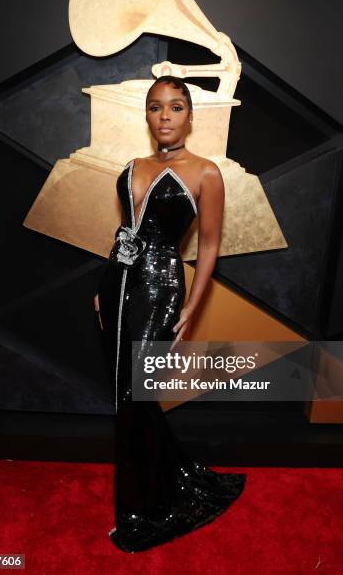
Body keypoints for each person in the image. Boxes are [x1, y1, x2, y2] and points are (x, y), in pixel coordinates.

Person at [94, 75, 246, 552]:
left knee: (135, 393)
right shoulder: (132, 164)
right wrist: (103, 286)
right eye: (156, 107)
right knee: (126, 396)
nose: (165, 116)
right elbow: (125, 232)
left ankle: (143, 508)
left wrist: (191, 307)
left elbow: (211, 244)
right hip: (117, 284)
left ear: (189, 117)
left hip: (160, 290)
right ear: (147, 115)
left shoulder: (205, 172)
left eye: (176, 107)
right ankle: (157, 483)